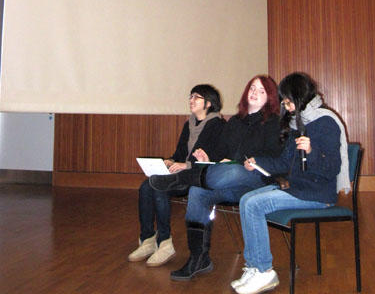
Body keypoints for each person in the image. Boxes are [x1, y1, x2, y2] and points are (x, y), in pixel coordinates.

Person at [150, 75, 282, 280]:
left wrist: (255, 161)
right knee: (198, 192)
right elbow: (220, 154)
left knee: (234, 170)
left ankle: (184, 178)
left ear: (270, 97)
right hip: (228, 182)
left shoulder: (274, 123)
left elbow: (277, 157)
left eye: (261, 91)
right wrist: (207, 159)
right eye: (252, 88)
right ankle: (199, 258)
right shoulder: (235, 121)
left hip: (257, 181)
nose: (254, 93)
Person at [230, 72, 351, 294]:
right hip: (297, 188)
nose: (286, 106)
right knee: (246, 199)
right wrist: (258, 162)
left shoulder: (326, 122)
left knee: (255, 204)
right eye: (284, 102)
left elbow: (332, 169)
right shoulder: (296, 123)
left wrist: (311, 152)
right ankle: (254, 267)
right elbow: (284, 162)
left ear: (300, 97)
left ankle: (264, 271)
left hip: (318, 194)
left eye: (288, 101)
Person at [127, 84, 225, 266]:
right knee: (145, 186)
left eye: (196, 97)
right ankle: (148, 239)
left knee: (159, 187)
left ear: (209, 103)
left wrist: (185, 165)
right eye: (190, 97)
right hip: (181, 172)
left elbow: (214, 158)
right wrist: (171, 161)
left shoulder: (217, 125)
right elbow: (180, 152)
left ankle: (165, 242)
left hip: (199, 175)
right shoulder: (189, 124)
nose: (191, 100)